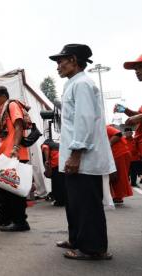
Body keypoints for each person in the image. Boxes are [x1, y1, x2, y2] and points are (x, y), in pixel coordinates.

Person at [49, 44, 115, 260]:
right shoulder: (73, 84)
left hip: (83, 156)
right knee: (75, 202)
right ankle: (77, 238)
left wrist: (76, 153)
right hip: (75, 155)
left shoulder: (83, 84)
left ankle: (93, 248)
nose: (58, 66)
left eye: (61, 61)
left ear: (74, 60)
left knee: (87, 204)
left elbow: (85, 119)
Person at [0, 86, 31, 231]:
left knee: (14, 191)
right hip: (6, 154)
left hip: (14, 154)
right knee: (3, 189)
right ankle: (5, 217)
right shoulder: (2, 112)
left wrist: (15, 148)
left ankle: (20, 222)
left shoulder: (12, 105)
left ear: (3, 96)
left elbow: (19, 126)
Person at [106, 125, 133, 204]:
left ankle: (118, 196)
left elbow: (118, 134)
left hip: (120, 153)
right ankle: (117, 196)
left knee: (119, 176)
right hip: (117, 154)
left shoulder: (106, 127)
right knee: (117, 176)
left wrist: (108, 145)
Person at [41, 139, 66, 206]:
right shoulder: (57, 145)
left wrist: (46, 160)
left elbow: (45, 148)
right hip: (63, 164)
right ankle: (64, 201)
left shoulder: (45, 145)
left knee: (56, 184)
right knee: (63, 183)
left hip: (56, 165)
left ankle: (59, 201)